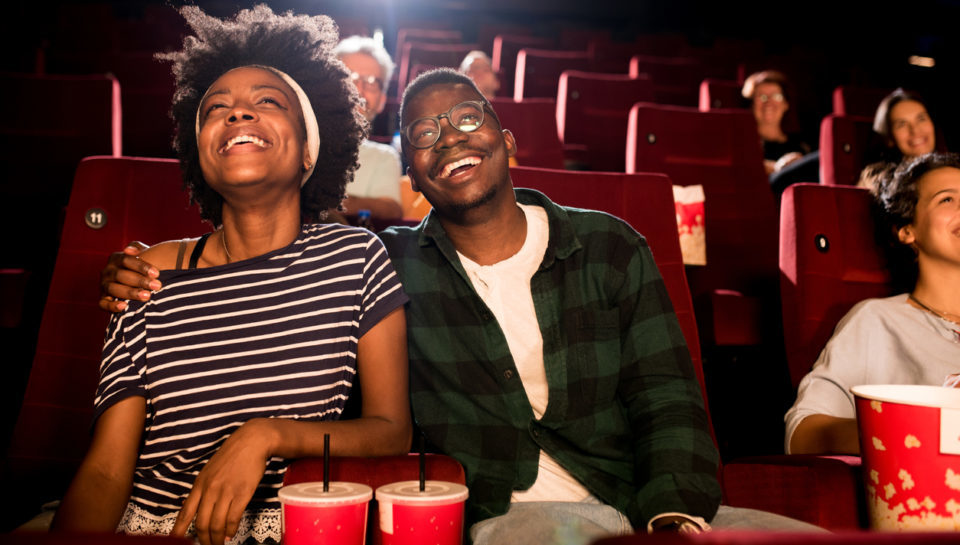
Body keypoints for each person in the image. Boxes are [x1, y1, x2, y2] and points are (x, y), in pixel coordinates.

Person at [101, 70, 821, 542]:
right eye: (424, 134)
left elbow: (669, 402)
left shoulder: (610, 246)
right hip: (512, 514)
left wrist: (671, 518)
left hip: (649, 503)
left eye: (468, 119)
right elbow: (290, 310)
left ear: (506, 140)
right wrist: (137, 268)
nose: (450, 139)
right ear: (411, 173)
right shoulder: (390, 263)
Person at [55, 5, 412, 545]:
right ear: (202, 156)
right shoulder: (147, 273)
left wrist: (268, 436)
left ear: (310, 152)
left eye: (267, 102)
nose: (238, 115)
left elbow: (391, 432)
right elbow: (107, 470)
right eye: (216, 108)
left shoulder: (355, 257)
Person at [785, 152, 960, 455]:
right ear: (907, 230)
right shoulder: (876, 322)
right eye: (947, 199)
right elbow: (802, 433)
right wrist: (907, 432)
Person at [334, 35, 403, 219]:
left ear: (381, 100)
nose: (359, 89)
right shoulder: (297, 142)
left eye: (372, 82)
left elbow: (390, 209)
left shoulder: (385, 157)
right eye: (349, 76)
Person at [858, 88, 941, 192]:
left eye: (921, 119)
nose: (915, 130)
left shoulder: (952, 169)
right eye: (902, 124)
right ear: (889, 138)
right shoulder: (876, 180)